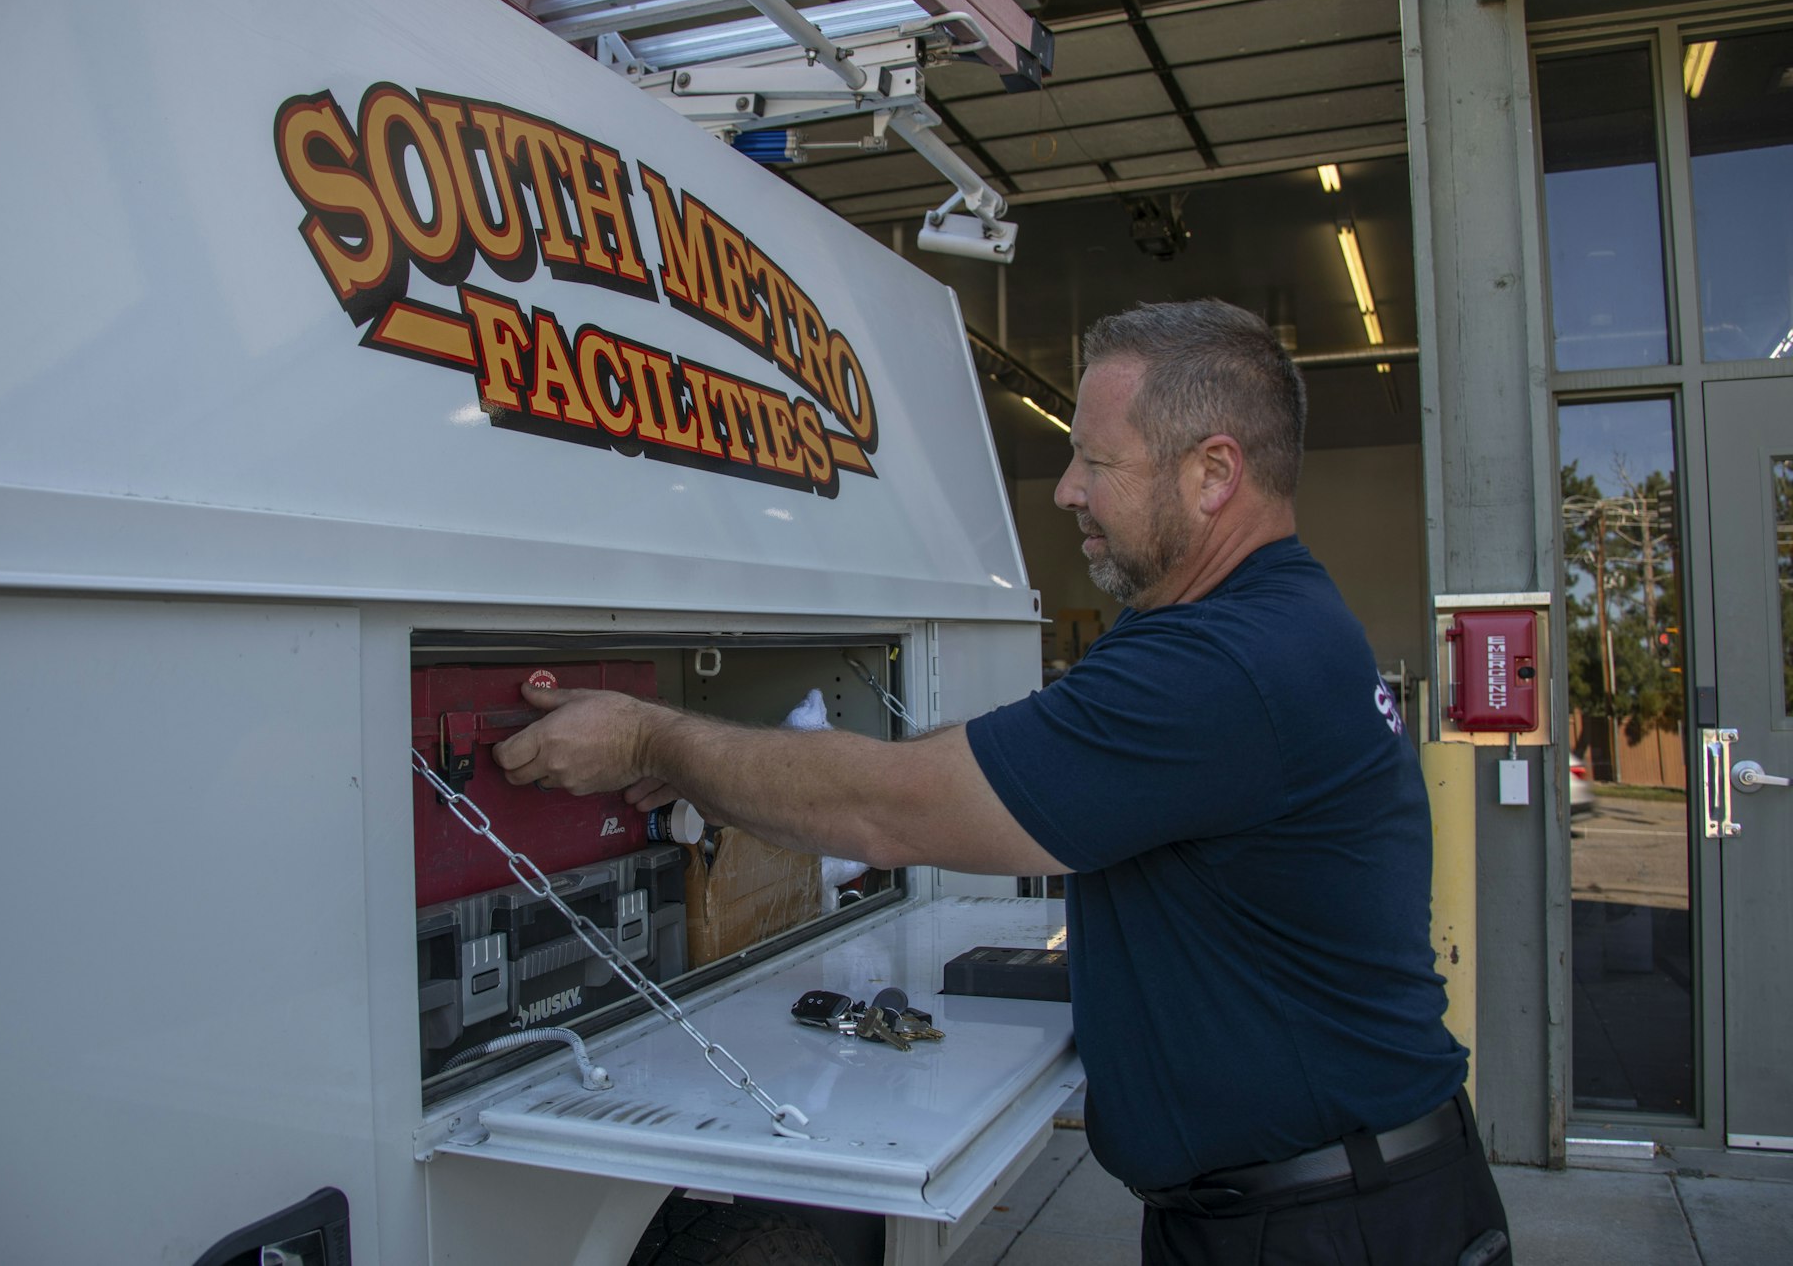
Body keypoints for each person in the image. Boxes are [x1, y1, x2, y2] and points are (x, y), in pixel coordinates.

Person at [494, 299, 1512, 1265]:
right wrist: (716, 779)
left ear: (1213, 473)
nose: (1067, 487)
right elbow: (978, 768)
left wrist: (649, 740)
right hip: (1309, 1202)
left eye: (1093, 459)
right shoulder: (1256, 623)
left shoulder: (1226, 662)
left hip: (1328, 1228)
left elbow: (887, 808)